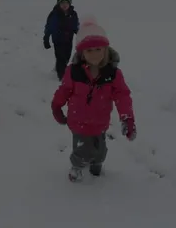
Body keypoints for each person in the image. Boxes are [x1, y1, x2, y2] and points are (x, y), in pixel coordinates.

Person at [51, 16, 136, 182]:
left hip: (100, 122)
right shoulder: (74, 72)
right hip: (78, 121)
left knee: (100, 150)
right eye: (89, 50)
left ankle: (96, 165)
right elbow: (64, 90)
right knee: (82, 150)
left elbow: (122, 95)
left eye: (98, 49)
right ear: (82, 52)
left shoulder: (112, 74)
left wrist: (127, 118)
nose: (95, 54)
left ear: (106, 49)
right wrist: (57, 106)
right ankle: (76, 167)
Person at [43, 0, 80, 80]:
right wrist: (46, 38)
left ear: (70, 3)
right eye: (62, 3)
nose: (64, 5)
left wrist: (80, 34)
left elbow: (75, 26)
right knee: (60, 57)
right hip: (58, 40)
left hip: (68, 39)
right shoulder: (54, 14)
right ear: (58, 3)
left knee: (67, 56)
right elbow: (49, 27)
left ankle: (59, 68)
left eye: (66, 3)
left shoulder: (73, 14)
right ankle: (61, 76)